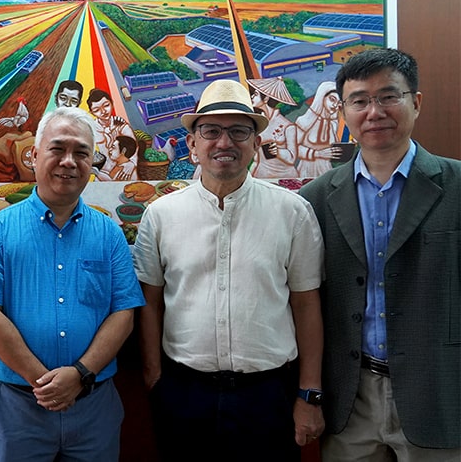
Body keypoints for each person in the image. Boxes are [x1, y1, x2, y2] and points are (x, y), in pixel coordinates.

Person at [133, 78, 325, 461]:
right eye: (211, 131)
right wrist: (154, 376)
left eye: (239, 131)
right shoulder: (160, 215)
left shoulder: (293, 212)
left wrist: (309, 393)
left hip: (269, 395)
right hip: (184, 392)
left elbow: (307, 306)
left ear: (255, 144)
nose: (225, 142)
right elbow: (149, 303)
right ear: (192, 145)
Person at [0, 106, 145, 461]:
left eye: (81, 152)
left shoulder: (109, 235)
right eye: (58, 149)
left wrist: (79, 375)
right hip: (16, 405)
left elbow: (124, 314)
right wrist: (45, 383)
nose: (69, 161)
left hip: (93, 404)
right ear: (36, 154)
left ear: (91, 162)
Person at [299, 48, 460, 461]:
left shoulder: (457, 185)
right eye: (360, 101)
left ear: (416, 103)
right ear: (344, 111)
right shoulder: (314, 199)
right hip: (350, 397)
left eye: (389, 96)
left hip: (439, 392)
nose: (374, 111)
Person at [249, 76, 301, 179]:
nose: (251, 97)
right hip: (261, 176)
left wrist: (278, 151)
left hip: (285, 178)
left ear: (266, 98)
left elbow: (292, 159)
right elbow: (256, 159)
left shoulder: (288, 127)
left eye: (255, 94)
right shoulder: (257, 123)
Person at [296, 81, 343, 177]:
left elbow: (334, 148)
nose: (334, 106)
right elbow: (293, 147)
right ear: (322, 97)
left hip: (326, 169)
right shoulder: (304, 121)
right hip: (307, 169)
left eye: (338, 103)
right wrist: (317, 153)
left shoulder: (333, 123)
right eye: (332, 99)